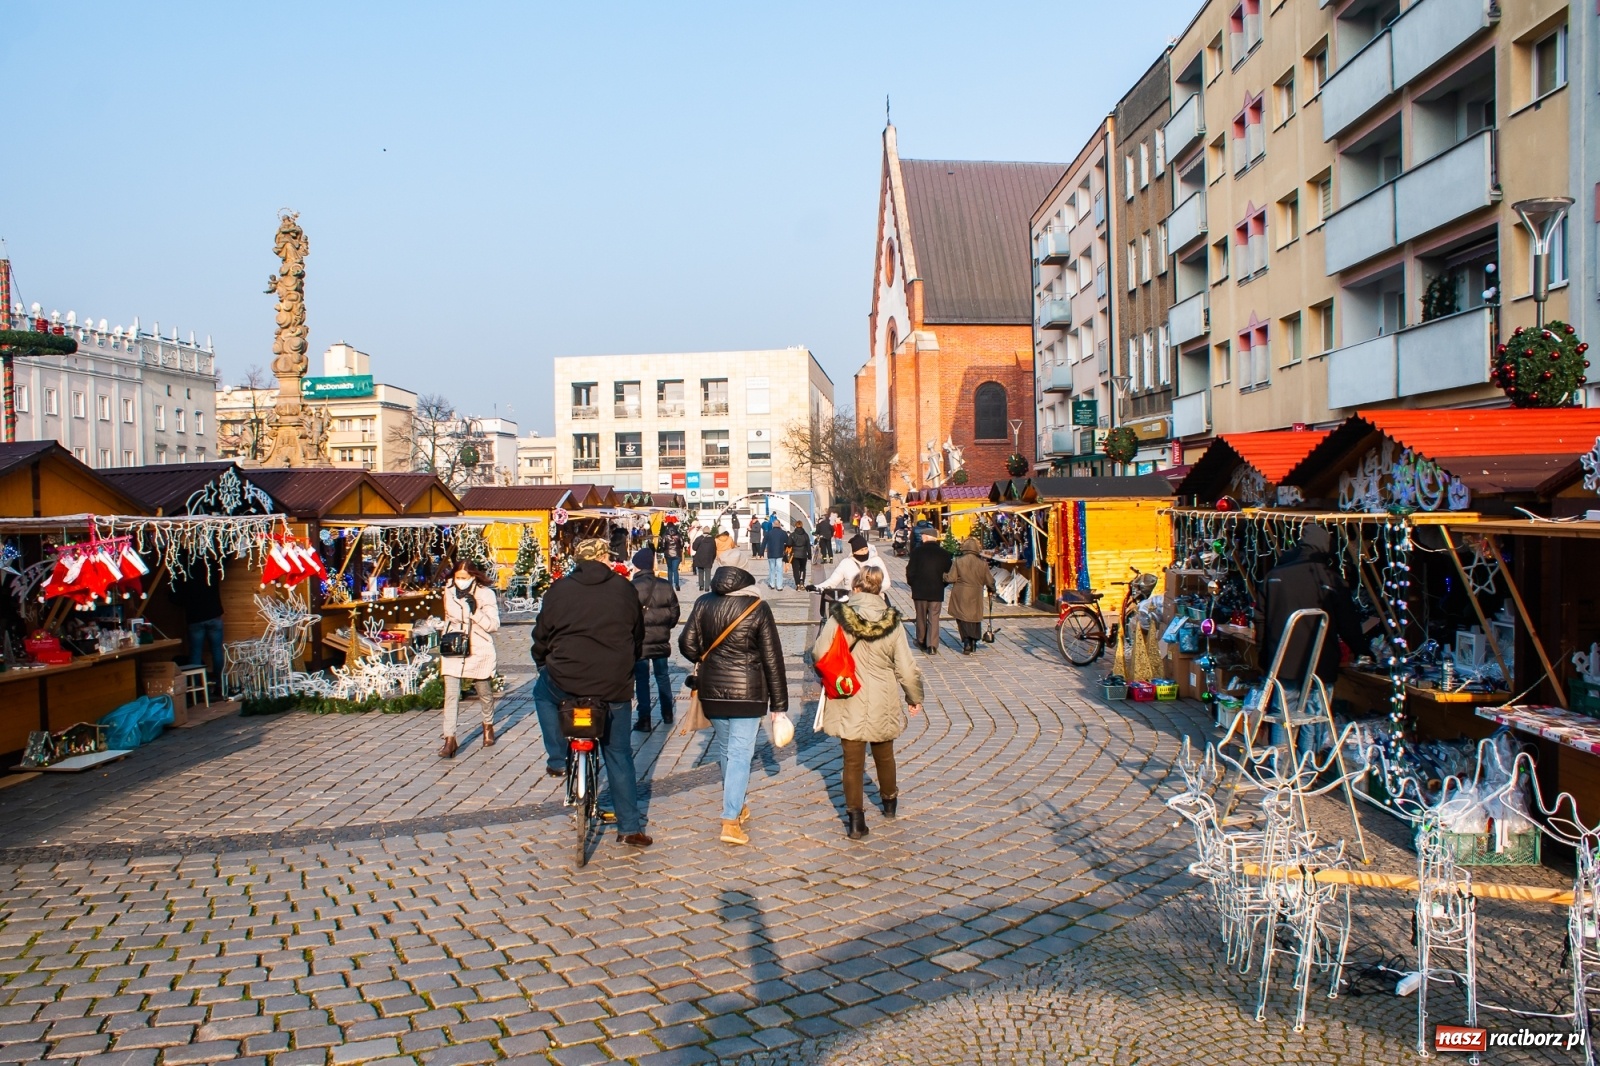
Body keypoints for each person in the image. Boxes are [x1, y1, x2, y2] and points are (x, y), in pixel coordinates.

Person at [531, 538, 652, 849]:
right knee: (618, 753)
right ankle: (629, 828)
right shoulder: (624, 589)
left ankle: (558, 758)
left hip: (566, 678)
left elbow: (541, 634)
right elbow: (637, 633)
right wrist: (628, 660)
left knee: (542, 693)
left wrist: (542, 661)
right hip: (613, 683)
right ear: (602, 558)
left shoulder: (559, 589)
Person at [679, 561, 788, 846]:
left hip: (711, 691)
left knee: (727, 749)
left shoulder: (703, 602)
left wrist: (706, 658)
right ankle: (730, 820)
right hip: (748, 693)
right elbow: (772, 659)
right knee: (740, 753)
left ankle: (737, 804)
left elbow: (686, 644)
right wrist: (779, 706)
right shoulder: (757, 607)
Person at [811, 565, 923, 840]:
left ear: (856, 588)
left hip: (848, 693)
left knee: (852, 762)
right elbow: (906, 668)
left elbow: (819, 652)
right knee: (884, 754)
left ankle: (855, 820)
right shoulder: (892, 622)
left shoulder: (840, 618)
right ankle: (889, 802)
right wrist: (914, 697)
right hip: (883, 697)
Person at [1259, 523, 1375, 694]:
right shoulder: (1332, 580)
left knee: (1283, 709)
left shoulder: (1274, 576)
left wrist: (1264, 656)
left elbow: (1261, 619)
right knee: (1317, 708)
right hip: (1320, 663)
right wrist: (1363, 652)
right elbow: (1348, 624)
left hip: (1281, 662)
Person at [438, 562, 502, 758]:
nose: (460, 581)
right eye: (458, 577)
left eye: (464, 578)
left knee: (484, 691)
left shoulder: (485, 593)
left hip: (478, 648)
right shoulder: (448, 591)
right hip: (454, 646)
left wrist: (475, 612)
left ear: (473, 576)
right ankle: (449, 739)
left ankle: (488, 725)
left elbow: (493, 625)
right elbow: (448, 617)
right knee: (451, 694)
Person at [631, 547, 680, 732]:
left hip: (640, 641)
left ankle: (644, 718)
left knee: (642, 679)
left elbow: (627, 614)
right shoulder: (665, 585)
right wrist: (665, 627)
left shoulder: (632, 587)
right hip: (660, 639)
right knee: (662, 676)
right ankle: (667, 713)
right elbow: (675, 612)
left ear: (638, 566)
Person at [169, 566, 225, 697]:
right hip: (214, 613)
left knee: (195, 653)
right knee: (217, 651)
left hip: (195, 617)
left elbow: (175, 596)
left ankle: (197, 689)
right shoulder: (211, 564)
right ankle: (220, 685)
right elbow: (226, 558)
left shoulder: (184, 568)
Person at [946, 537, 995, 654]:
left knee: (962, 618)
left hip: (961, 593)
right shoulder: (982, 564)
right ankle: (973, 641)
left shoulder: (958, 561)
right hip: (976, 594)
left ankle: (966, 641)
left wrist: (943, 576)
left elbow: (951, 578)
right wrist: (992, 589)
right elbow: (990, 581)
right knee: (974, 618)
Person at [905, 529, 949, 654]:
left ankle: (921, 640)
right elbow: (948, 574)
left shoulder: (917, 552)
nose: (921, 537)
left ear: (927, 537)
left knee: (921, 616)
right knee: (934, 617)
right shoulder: (944, 553)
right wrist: (942, 585)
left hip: (920, 589)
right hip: (936, 590)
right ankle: (932, 645)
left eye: (923, 535)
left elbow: (910, 571)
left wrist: (913, 583)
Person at [658, 519, 685, 591]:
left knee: (669, 569)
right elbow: (682, 544)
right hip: (677, 554)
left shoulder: (665, 535)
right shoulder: (678, 534)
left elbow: (663, 545)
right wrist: (678, 548)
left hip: (668, 554)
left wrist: (664, 549)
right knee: (675, 570)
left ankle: (670, 584)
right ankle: (677, 584)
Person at [763, 517, 789, 590]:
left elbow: (764, 542)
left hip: (771, 554)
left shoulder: (769, 533)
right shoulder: (783, 533)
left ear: (773, 525)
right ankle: (779, 586)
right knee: (779, 569)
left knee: (772, 569)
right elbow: (787, 542)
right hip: (780, 553)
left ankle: (772, 584)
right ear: (779, 525)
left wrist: (761, 553)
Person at [691, 525, 717, 592]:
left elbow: (694, 548)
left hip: (700, 557)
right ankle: (707, 587)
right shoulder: (712, 540)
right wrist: (713, 558)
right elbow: (714, 550)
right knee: (708, 573)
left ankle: (701, 586)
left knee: (700, 572)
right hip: (708, 558)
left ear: (703, 531)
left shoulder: (699, 538)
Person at [788, 519, 812, 589]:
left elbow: (789, 544)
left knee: (795, 570)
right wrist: (809, 554)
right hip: (803, 554)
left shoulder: (792, 535)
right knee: (802, 568)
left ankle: (797, 584)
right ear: (802, 525)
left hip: (794, 554)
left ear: (795, 526)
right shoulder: (805, 535)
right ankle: (802, 581)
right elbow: (808, 545)